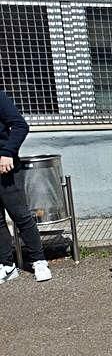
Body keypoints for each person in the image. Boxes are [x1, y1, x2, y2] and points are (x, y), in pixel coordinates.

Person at [0, 90, 51, 283]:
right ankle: (7, 265)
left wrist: (7, 152)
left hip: (5, 167)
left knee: (20, 215)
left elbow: (20, 125)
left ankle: (39, 261)